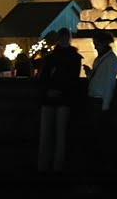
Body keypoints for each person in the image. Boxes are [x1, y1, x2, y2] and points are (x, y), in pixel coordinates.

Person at [36, 27, 82, 173]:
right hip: (63, 98)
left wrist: (49, 90)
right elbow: (73, 80)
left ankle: (45, 166)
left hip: (52, 98)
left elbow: (44, 78)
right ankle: (56, 166)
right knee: (58, 135)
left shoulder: (51, 57)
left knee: (48, 135)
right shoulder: (74, 58)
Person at [84, 31, 117, 132]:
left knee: (96, 130)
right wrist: (90, 74)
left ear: (104, 43)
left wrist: (105, 105)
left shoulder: (110, 60)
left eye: (97, 44)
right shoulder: (104, 58)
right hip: (95, 98)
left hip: (99, 100)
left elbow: (108, 84)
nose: (95, 47)